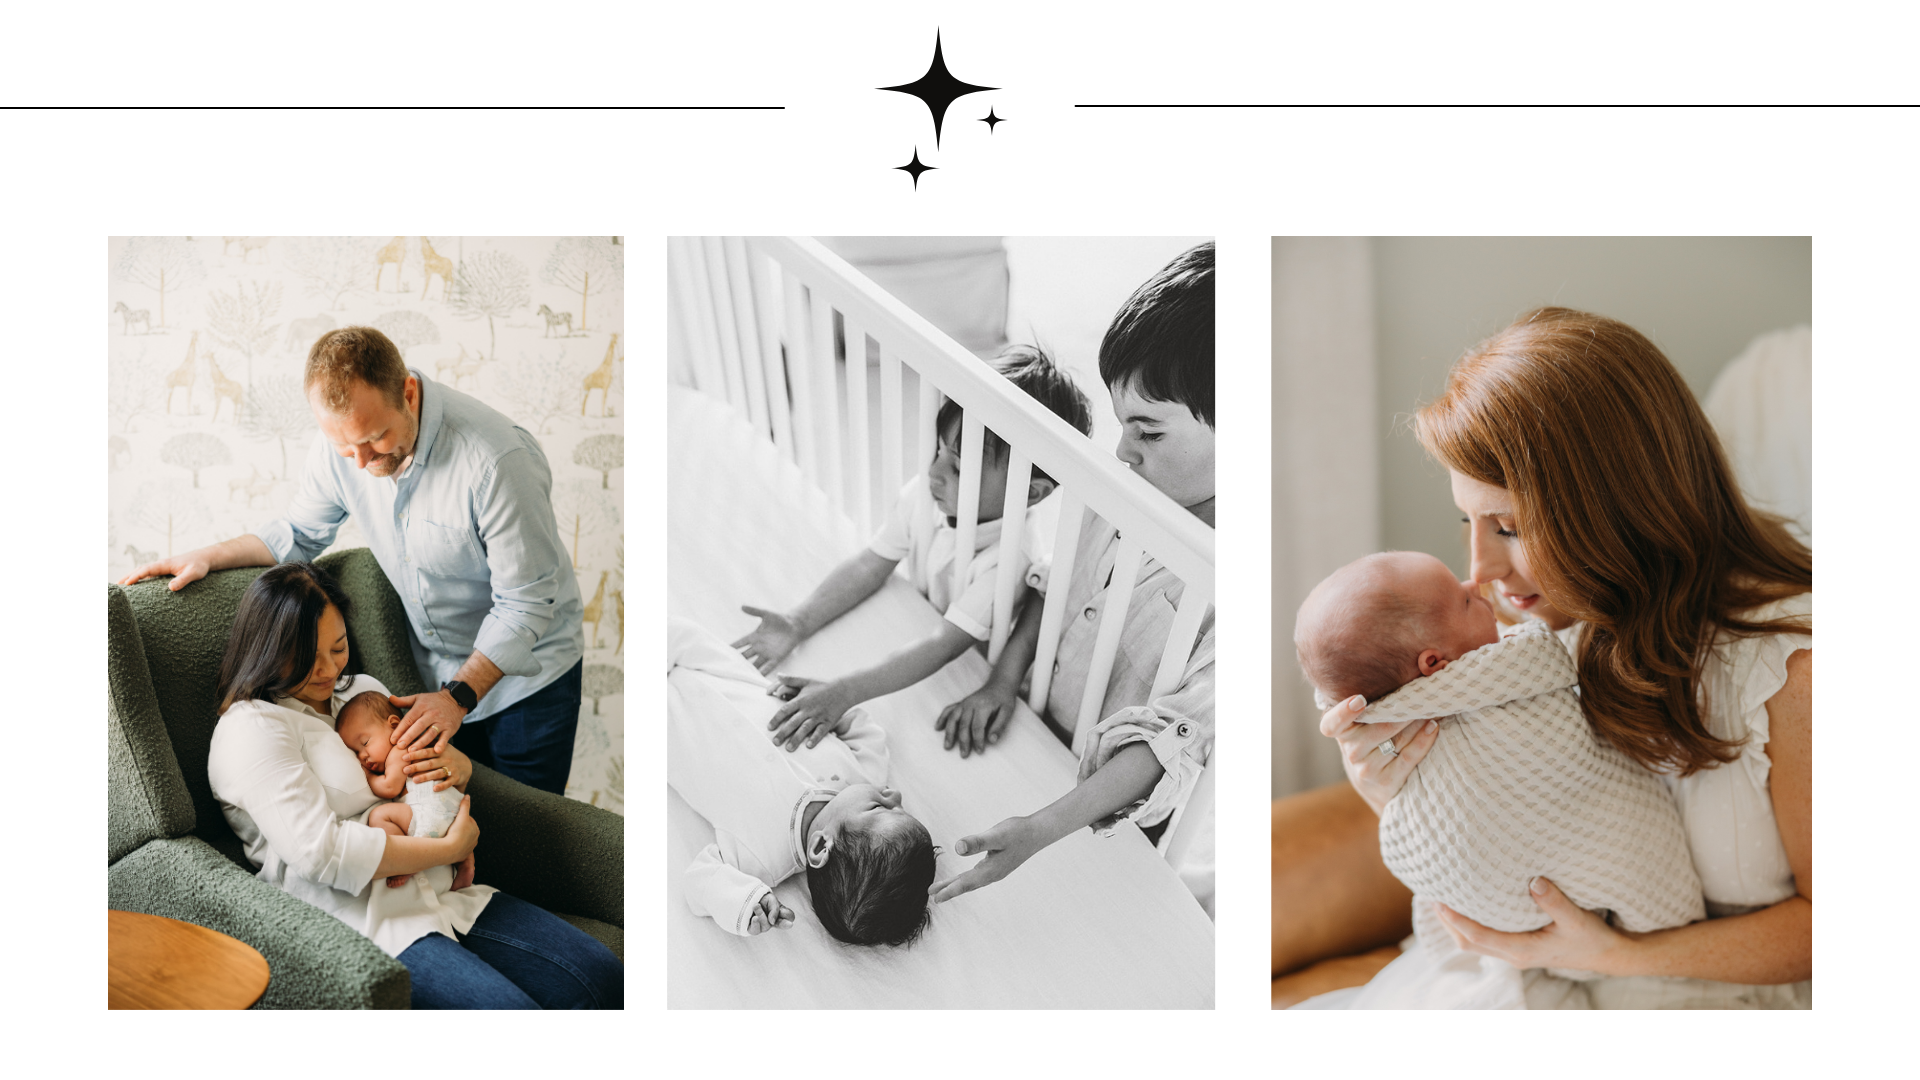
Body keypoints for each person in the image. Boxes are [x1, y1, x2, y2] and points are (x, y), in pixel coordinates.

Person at [1283, 307, 1815, 1019]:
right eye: (1468, 522)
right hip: (1539, 979)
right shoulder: (1532, 635)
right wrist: (1398, 787)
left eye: (1508, 526)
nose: (1479, 571)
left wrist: (1613, 955)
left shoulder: (1792, 668)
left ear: (1618, 505)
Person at [120, 326, 586, 795]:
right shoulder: (343, 447)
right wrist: (208, 555)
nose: (360, 463)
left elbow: (524, 603)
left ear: (408, 393)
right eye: (345, 447)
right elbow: (298, 533)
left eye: (376, 438)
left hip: (528, 683)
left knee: (525, 824)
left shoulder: (498, 461)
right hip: (431, 678)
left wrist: (456, 698)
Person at [928, 241, 1216, 912]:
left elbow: (1171, 741)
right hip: (1037, 722)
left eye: (1148, 432)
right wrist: (1002, 680)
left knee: (1118, 905)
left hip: (1109, 800)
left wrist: (1041, 828)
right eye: (1121, 426)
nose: (1122, 451)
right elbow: (1053, 589)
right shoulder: (1113, 493)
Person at [207, 562, 628, 1010]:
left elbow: (425, 765)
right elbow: (319, 853)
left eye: (339, 646)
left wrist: (456, 768)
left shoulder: (361, 691)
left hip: (445, 894)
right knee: (512, 1013)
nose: (330, 669)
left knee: (602, 978)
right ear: (268, 651)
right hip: (358, 915)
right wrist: (447, 848)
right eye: (308, 658)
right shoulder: (254, 727)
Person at [1295, 551, 1704, 989]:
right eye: (1463, 601)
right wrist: (1375, 791)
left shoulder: (1388, 709)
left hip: (1523, 930)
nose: (1475, 582)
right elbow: (1540, 658)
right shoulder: (1509, 668)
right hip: (1521, 927)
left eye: (1506, 528)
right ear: (1433, 664)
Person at [734, 345, 1093, 752]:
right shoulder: (928, 496)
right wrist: (798, 622)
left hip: (969, 657)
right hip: (922, 616)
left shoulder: (1011, 561)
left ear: (1029, 493)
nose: (933, 473)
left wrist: (842, 692)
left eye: (957, 468)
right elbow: (870, 565)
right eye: (939, 451)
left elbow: (943, 644)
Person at [669, 617, 936, 946]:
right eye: (902, 807)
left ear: (821, 847)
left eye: (881, 808)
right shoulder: (863, 774)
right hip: (714, 666)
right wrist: (824, 697)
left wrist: (744, 900)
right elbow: (863, 727)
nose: (893, 795)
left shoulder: (762, 858)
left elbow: (700, 880)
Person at [338, 690, 468, 843]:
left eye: (365, 742)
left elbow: (389, 788)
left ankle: (409, 852)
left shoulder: (401, 750)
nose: (362, 756)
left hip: (427, 815)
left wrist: (368, 775)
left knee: (378, 816)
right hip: (452, 816)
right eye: (356, 752)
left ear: (394, 725)